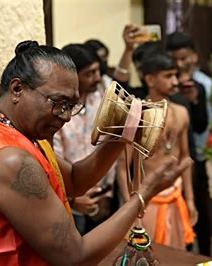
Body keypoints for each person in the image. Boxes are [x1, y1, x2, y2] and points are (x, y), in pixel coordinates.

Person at [0, 40, 192, 265]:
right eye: (59, 103)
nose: (66, 116)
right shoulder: (10, 159)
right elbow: (74, 256)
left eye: (72, 105)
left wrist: (123, 134)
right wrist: (144, 193)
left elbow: (75, 181)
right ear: (18, 88)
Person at [117, 51, 198, 250]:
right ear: (150, 80)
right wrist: (131, 208)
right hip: (146, 201)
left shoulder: (181, 112)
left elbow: (185, 158)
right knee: (148, 255)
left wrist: (190, 200)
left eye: (175, 75)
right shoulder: (137, 115)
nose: (175, 81)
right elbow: (121, 167)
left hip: (175, 197)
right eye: (168, 76)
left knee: (177, 256)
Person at [54, 43, 118, 234]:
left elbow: (109, 144)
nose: (97, 78)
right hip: (68, 201)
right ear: (72, 76)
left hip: (102, 195)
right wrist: (73, 199)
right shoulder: (57, 111)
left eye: (98, 71)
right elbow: (53, 162)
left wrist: (108, 193)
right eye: (89, 73)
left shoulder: (101, 102)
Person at [167, 31, 212, 256]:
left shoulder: (204, 85)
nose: (179, 64)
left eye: (184, 58)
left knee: (201, 212)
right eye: (174, 59)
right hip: (173, 159)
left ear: (194, 56)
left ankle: (205, 256)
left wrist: (194, 100)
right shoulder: (168, 84)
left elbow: (202, 125)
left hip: (198, 157)